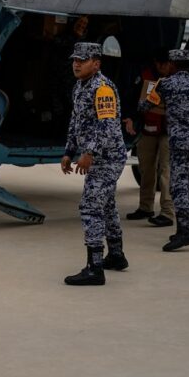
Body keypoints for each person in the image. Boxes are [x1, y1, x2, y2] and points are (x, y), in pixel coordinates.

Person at [60, 42, 128, 286]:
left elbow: (107, 126)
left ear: (96, 63)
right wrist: (69, 151)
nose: (76, 64)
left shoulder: (102, 89)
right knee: (106, 204)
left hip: (108, 158)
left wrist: (89, 152)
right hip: (98, 157)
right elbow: (75, 121)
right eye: (74, 60)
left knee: (90, 206)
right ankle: (117, 255)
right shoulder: (80, 87)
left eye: (82, 60)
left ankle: (94, 267)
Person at [137, 49, 189, 251]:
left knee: (178, 186)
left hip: (180, 142)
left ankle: (184, 231)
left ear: (172, 65)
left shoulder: (166, 84)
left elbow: (145, 106)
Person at [123, 53, 174, 226]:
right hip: (148, 129)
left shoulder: (177, 79)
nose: (164, 68)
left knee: (166, 171)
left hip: (169, 131)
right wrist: (130, 117)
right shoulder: (144, 77)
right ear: (156, 63)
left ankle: (167, 213)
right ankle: (145, 207)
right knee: (146, 169)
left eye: (167, 64)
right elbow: (133, 99)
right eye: (161, 64)